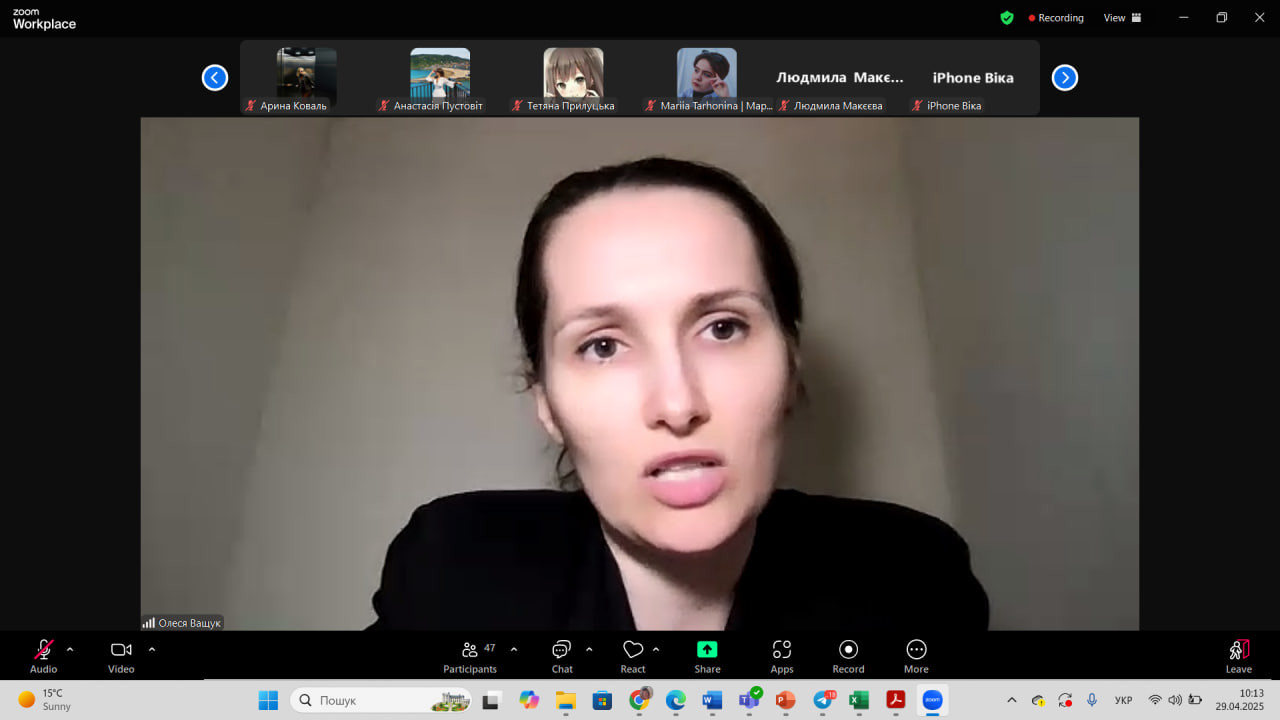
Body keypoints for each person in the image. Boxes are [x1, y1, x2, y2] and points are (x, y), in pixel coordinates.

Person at [369, 157, 988, 631]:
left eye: (723, 328)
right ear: (547, 405)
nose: (677, 404)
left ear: (791, 365)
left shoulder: (913, 577)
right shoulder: (454, 573)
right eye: (602, 346)